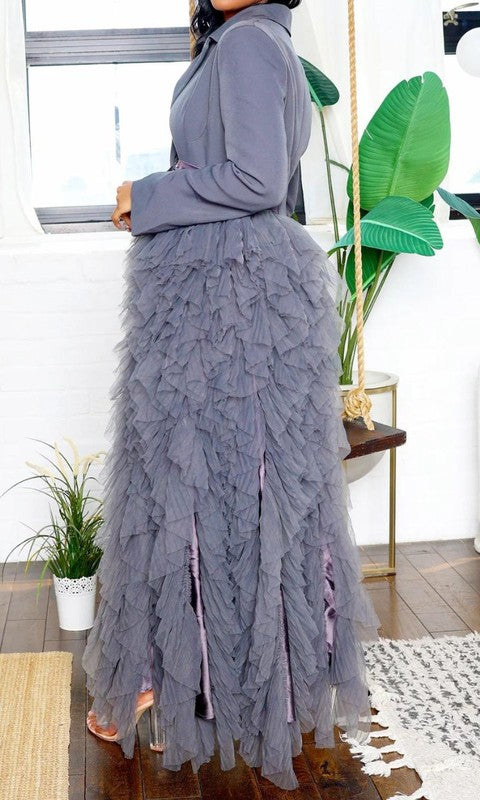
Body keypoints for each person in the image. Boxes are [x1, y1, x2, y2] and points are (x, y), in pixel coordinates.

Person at [81, 0, 380, 791]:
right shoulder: (250, 41)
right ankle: (196, 676)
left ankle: (175, 675)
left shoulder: (248, 43)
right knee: (217, 486)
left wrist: (146, 196)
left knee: (199, 484)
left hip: (229, 302)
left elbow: (253, 180)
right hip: (226, 296)